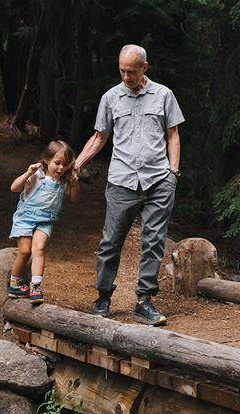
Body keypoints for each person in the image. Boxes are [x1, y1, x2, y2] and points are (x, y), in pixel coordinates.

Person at [72, 44, 183, 325]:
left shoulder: (163, 95)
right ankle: (103, 298)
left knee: (154, 242)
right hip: (122, 181)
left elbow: (173, 135)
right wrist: (78, 163)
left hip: (159, 181)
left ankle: (144, 302)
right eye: (121, 70)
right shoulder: (110, 98)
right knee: (110, 241)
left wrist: (173, 173)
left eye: (131, 71)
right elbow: (99, 137)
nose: (125, 76)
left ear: (144, 68)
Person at [7, 140, 80, 304]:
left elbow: (74, 198)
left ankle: (36, 287)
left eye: (65, 165)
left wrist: (75, 184)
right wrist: (27, 173)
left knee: (39, 249)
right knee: (25, 252)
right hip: (25, 217)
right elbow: (14, 188)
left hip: (45, 221)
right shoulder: (37, 175)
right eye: (57, 163)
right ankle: (15, 283)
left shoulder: (63, 180)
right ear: (46, 159)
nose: (61, 168)